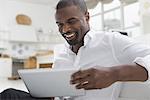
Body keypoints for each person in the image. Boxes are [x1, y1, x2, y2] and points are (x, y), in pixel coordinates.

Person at [0, 0, 150, 100]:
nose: (65, 29)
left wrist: (114, 74)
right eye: (60, 24)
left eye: (72, 21)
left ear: (87, 17)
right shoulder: (61, 53)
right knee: (8, 95)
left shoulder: (110, 41)